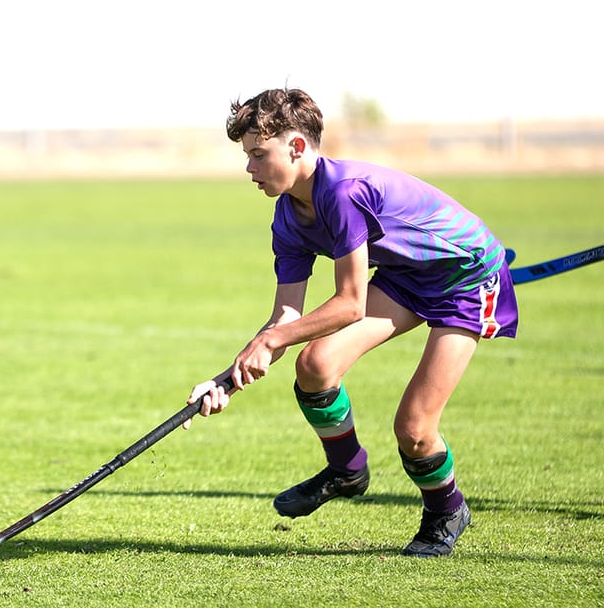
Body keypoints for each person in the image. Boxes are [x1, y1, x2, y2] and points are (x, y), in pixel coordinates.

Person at [184, 88, 518, 557]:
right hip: (407, 276)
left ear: (297, 147)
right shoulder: (287, 217)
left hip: (467, 278)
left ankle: (447, 509)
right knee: (316, 364)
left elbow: (350, 305)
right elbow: (286, 316)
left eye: (259, 155)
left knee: (415, 428)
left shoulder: (342, 193)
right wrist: (225, 381)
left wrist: (271, 340)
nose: (249, 168)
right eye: (247, 156)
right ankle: (347, 469)